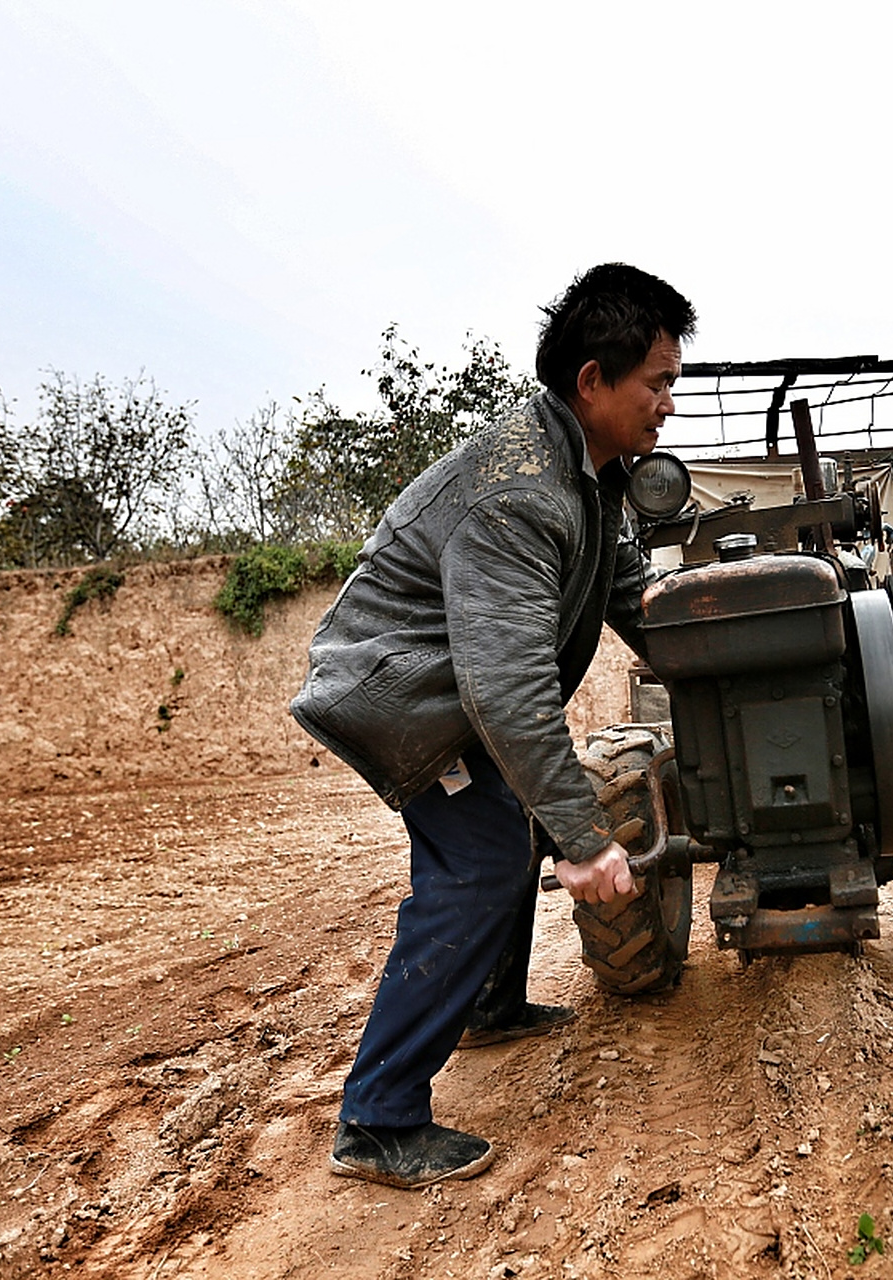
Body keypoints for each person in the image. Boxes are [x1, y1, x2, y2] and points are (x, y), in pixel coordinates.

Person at [289, 263, 696, 1188]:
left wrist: (710, 655)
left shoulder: (593, 476)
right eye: (658, 383)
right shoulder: (520, 493)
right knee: (475, 863)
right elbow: (507, 691)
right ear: (592, 380)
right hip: (401, 698)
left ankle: (488, 1008)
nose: (668, 405)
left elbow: (628, 594)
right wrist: (586, 839)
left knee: (507, 833)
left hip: (452, 687)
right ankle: (377, 1120)